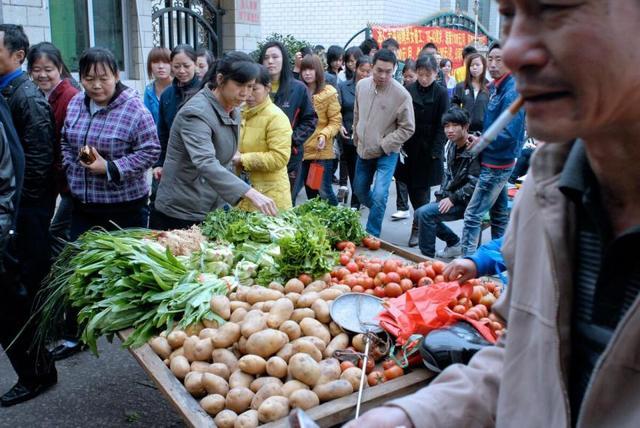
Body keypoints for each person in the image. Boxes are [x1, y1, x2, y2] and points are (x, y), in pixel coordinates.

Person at [350, 1, 640, 426]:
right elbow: (527, 366)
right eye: (508, 15)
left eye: (556, 8)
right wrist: (404, 420)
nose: (516, 49)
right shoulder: (550, 192)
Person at [153, 52, 277, 230]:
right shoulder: (196, 112)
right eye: (240, 85)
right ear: (220, 79)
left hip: (209, 205)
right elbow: (206, 161)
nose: (245, 93)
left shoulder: (232, 108)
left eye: (250, 86)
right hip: (181, 209)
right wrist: (249, 192)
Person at [0, 24, 58, 372]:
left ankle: (38, 366)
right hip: (14, 210)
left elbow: (37, 160)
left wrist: (17, 214)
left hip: (25, 210)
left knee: (24, 288)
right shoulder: (7, 91)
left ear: (17, 56)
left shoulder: (26, 95)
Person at [459, 42, 525, 256]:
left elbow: (509, 134)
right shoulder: (497, 87)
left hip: (497, 162)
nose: (494, 64)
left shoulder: (512, 90)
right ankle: (500, 261)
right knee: (499, 216)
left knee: (472, 215)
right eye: (492, 59)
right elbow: (494, 128)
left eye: (500, 59)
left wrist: (482, 142)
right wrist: (480, 138)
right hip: (495, 158)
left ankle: (466, 265)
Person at [352, 48, 415, 237]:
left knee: (380, 194)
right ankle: (377, 209)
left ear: (395, 69)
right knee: (359, 191)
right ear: (372, 67)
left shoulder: (402, 95)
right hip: (363, 149)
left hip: (387, 153)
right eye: (379, 70)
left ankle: (371, 235)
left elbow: (408, 127)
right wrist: (356, 135)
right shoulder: (362, 86)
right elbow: (357, 113)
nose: (383, 75)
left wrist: (385, 144)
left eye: (389, 71)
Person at [26, 42, 79, 257]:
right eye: (36, 70)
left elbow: (74, 142)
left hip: (70, 179)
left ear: (59, 68)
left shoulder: (70, 96)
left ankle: (58, 281)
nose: (42, 75)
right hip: (54, 178)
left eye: (48, 70)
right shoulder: (38, 94)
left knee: (57, 233)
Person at [396, 54, 449, 247]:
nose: (424, 78)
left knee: (423, 192)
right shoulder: (408, 90)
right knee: (409, 187)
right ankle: (426, 224)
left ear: (436, 73)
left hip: (429, 149)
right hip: (409, 146)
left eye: (428, 74)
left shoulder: (442, 93)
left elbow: (444, 124)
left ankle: (418, 228)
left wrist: (436, 151)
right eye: (420, 74)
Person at [414, 107, 479, 258]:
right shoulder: (451, 145)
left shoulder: (474, 148)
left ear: (465, 127)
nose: (449, 130)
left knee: (425, 214)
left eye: (454, 126)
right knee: (419, 213)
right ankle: (454, 243)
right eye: (446, 126)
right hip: (454, 197)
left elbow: (476, 183)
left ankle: (425, 258)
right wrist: (441, 197)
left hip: (469, 202)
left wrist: (453, 198)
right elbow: (448, 175)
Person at [259, 41, 317, 200]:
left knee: (284, 203)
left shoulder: (298, 88)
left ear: (283, 59)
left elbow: (310, 120)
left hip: (289, 157)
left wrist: (292, 140)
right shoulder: (254, 87)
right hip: (259, 156)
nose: (270, 61)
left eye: (275, 57)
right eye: (266, 57)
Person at [234, 65, 293, 211]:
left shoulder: (276, 117)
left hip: (270, 197)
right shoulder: (240, 112)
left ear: (268, 88)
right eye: (246, 87)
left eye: (254, 89)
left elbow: (279, 157)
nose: (248, 94)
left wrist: (242, 159)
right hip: (245, 193)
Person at [295, 54, 342, 206]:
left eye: (311, 69)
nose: (307, 73)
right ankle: (317, 225)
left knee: (324, 190)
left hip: (321, 150)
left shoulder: (328, 93)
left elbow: (335, 122)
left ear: (318, 71)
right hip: (300, 150)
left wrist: (324, 135)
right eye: (304, 70)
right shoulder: (297, 91)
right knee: (308, 192)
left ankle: (338, 219)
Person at [153, 44, 200, 181]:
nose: (181, 71)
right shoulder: (167, 94)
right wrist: (159, 163)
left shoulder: (205, 91)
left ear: (195, 65)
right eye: (177, 66)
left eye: (186, 66)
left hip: (199, 162)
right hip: (173, 161)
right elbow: (162, 132)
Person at [337, 55, 371, 209]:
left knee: (362, 171)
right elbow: (337, 110)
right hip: (349, 134)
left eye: (368, 72)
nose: (364, 74)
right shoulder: (344, 87)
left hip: (368, 136)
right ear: (355, 69)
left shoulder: (374, 88)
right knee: (352, 169)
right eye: (362, 70)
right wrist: (340, 125)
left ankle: (357, 202)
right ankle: (355, 201)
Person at [391, 58, 417, 221]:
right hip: (401, 140)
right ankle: (402, 206)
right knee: (400, 174)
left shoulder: (418, 93)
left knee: (415, 181)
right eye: (405, 76)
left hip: (416, 140)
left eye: (411, 76)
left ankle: (417, 213)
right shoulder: (399, 92)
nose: (408, 79)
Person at [451, 52, 490, 134]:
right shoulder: (461, 86)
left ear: (484, 66)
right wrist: (459, 116)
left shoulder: (490, 87)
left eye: (477, 65)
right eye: (471, 65)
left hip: (484, 131)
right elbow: (454, 103)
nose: (474, 67)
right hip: (465, 130)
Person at [142, 46, 171, 124]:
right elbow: (147, 119)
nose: (161, 66)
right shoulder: (149, 90)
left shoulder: (178, 87)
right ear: (150, 66)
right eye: (156, 62)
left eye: (165, 62)